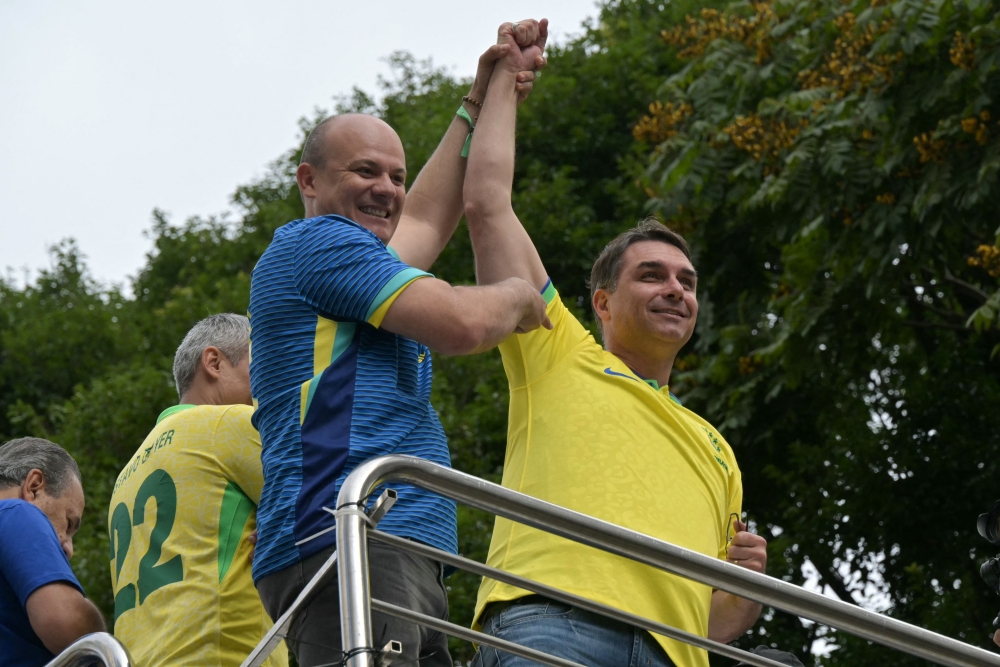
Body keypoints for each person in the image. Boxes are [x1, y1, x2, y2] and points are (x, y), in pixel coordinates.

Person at [462, 26, 768, 667]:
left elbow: (712, 620)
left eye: (687, 281)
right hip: (548, 622)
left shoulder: (719, 452)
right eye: (651, 275)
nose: (675, 290)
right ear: (601, 302)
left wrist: (744, 595)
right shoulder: (557, 350)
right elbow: (489, 206)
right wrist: (500, 90)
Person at [249, 23, 550, 667]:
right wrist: (519, 295)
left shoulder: (356, 260)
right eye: (364, 170)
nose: (386, 187)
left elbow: (423, 218)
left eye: (396, 173)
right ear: (308, 179)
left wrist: (483, 99)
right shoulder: (321, 245)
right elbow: (460, 324)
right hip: (346, 534)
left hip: (389, 543)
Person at [108, 314, 287, 667]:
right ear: (214, 362)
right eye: (262, 366)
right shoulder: (230, 422)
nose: (270, 385)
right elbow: (322, 503)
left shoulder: (126, 475)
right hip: (223, 653)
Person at [0, 437, 105, 667]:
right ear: (34, 487)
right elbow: (69, 625)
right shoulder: (16, 511)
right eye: (68, 524)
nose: (68, 548)